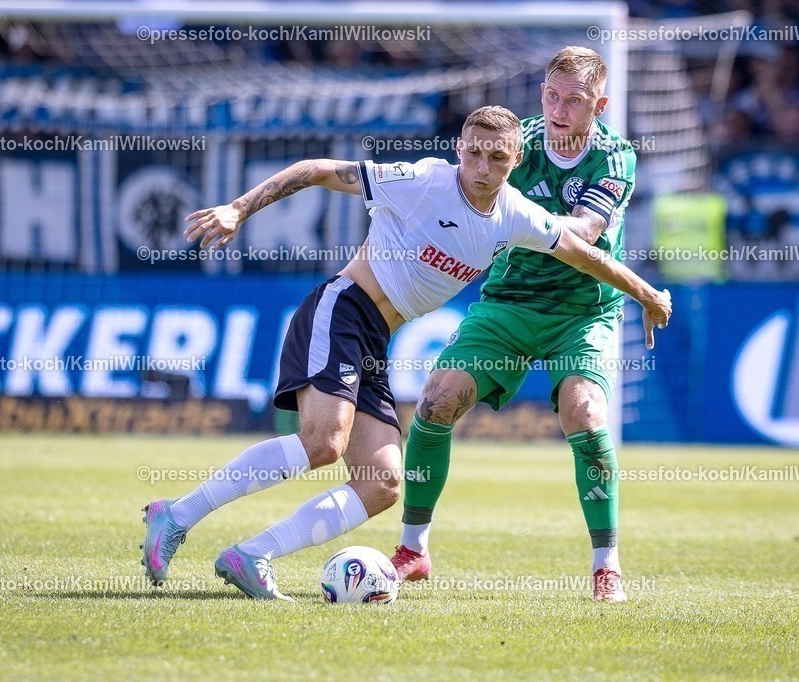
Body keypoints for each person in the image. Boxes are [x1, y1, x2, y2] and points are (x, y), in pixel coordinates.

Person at [141, 105, 672, 600]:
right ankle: (178, 515)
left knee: (383, 484)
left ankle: (251, 555)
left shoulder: (516, 214)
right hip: (342, 310)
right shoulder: (424, 181)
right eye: (473, 152)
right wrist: (238, 209)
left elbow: (585, 255)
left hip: (376, 341)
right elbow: (317, 168)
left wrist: (648, 295)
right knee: (323, 444)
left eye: (496, 157)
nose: (481, 167)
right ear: (459, 147)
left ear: (515, 160)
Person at [390, 47, 646, 602]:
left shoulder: (613, 158)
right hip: (506, 302)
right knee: (436, 400)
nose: (559, 110)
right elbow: (462, 184)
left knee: (585, 413)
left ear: (598, 104)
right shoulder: (516, 143)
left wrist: (520, 219)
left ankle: (607, 565)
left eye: (574, 101)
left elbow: (582, 237)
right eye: (551, 96)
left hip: (582, 310)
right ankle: (413, 550)